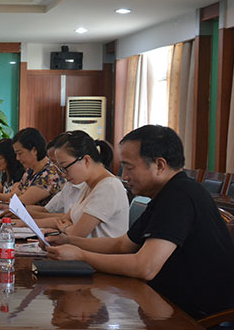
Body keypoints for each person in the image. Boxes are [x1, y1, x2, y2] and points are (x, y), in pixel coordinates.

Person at [46, 125, 234, 319]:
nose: (125, 177)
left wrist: (81, 256)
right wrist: (70, 241)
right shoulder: (165, 194)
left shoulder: (180, 196)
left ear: (159, 165)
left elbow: (145, 267)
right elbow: (123, 244)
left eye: (129, 167)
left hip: (199, 318)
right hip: (166, 305)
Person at [35, 131, 128, 238]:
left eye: (65, 167)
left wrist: (66, 228)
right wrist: (23, 224)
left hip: (92, 249)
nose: (63, 174)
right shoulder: (88, 185)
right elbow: (64, 219)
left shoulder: (108, 187)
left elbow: (77, 234)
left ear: (86, 160)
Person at [0, 127, 64, 205]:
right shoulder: (30, 171)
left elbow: (20, 203)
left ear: (34, 150)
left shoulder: (49, 174)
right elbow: (13, 196)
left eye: (20, 153)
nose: (17, 158)